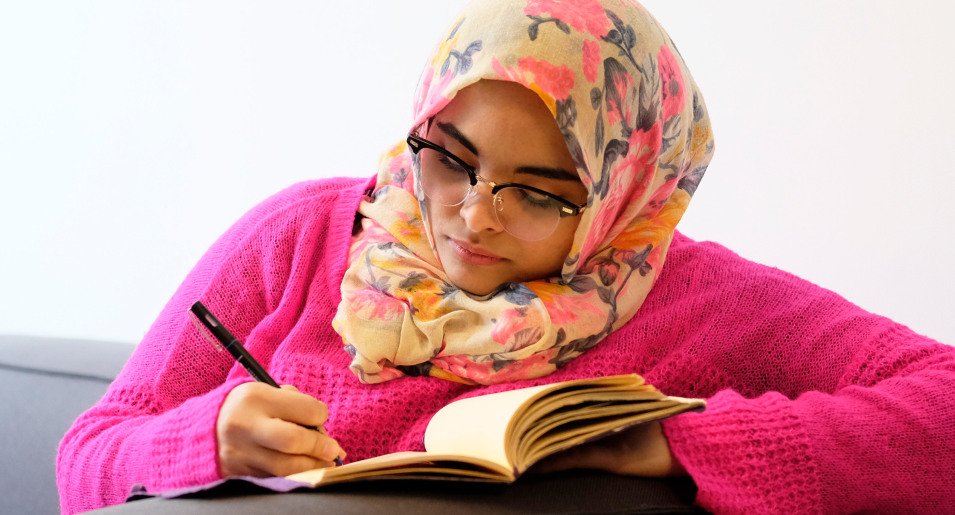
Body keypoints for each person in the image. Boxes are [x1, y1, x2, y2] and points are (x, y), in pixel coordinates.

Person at [56, 0, 955, 513]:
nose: (472, 214)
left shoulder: (692, 294)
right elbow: (83, 458)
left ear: (620, 193)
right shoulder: (300, 234)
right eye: (448, 155)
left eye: (538, 190)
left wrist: (681, 443)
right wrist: (199, 439)